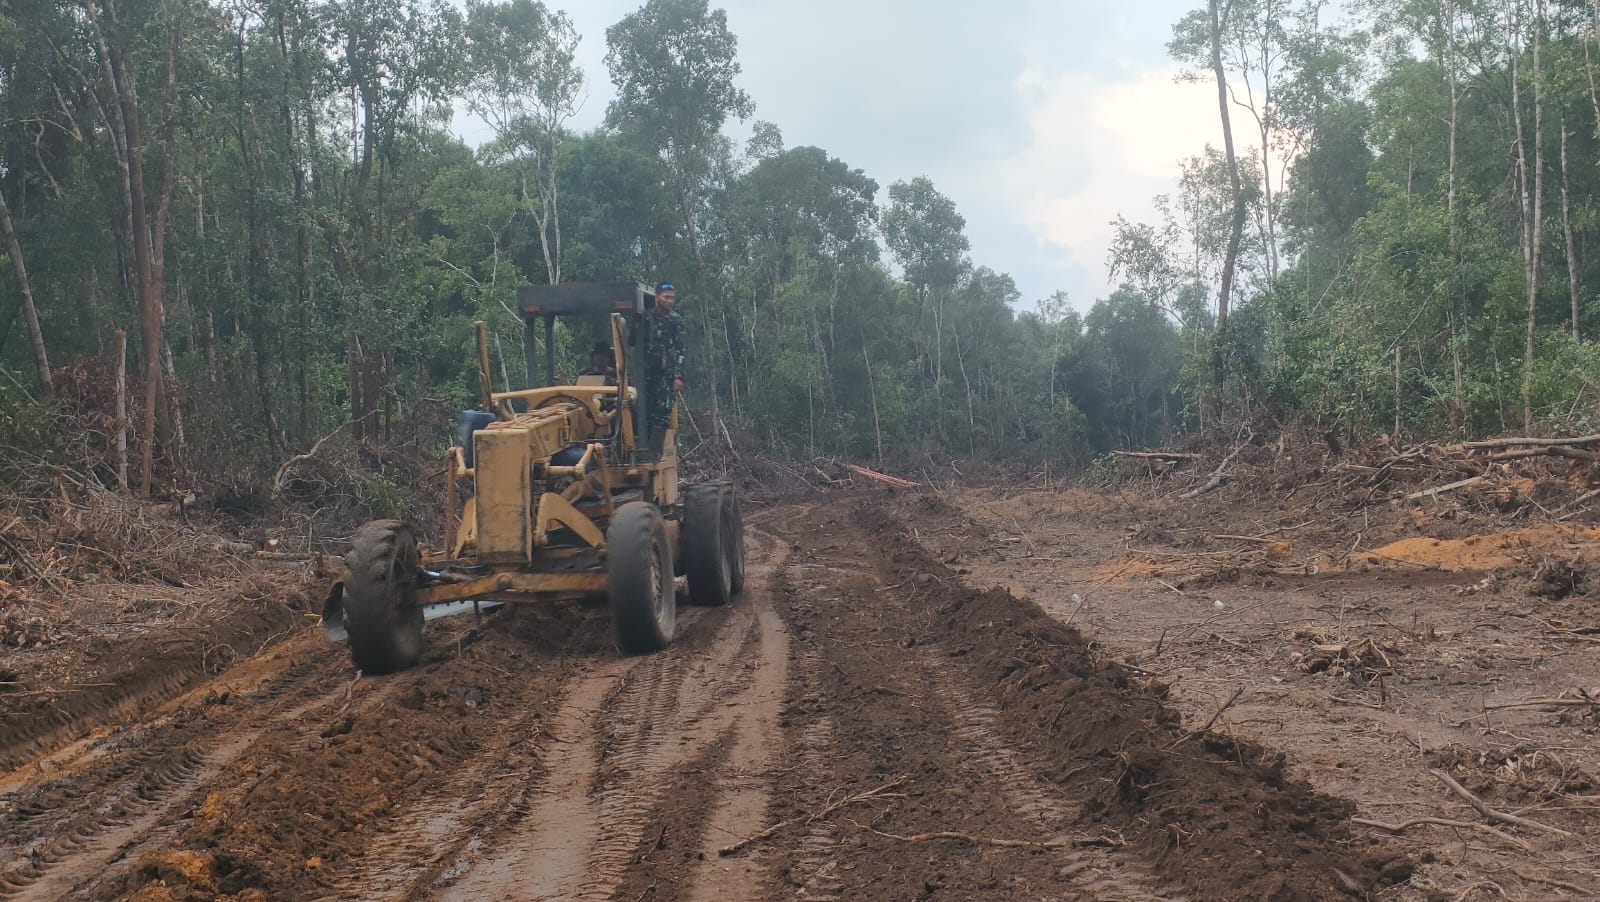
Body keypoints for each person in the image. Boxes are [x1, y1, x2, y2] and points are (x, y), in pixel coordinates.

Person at [644, 282, 686, 451]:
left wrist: (678, 376)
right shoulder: (647, 317)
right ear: (657, 298)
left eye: (672, 298)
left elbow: (682, 349)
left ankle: (653, 455)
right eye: (666, 297)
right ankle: (641, 447)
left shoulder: (675, 320)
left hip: (667, 375)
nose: (670, 301)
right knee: (644, 410)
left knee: (662, 413)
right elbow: (633, 341)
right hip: (646, 374)